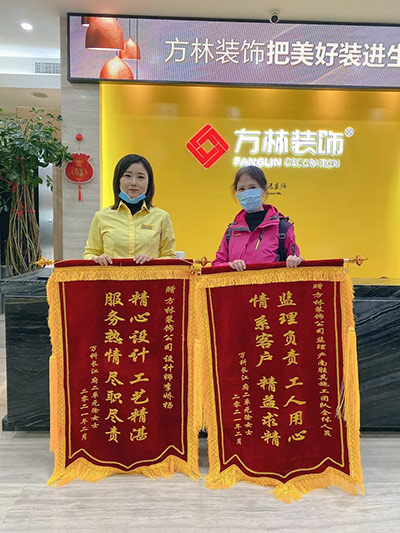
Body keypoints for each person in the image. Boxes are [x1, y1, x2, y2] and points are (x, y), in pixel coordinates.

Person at [83, 154, 175, 265]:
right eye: (127, 176)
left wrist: (153, 262)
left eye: (140, 177)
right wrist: (97, 258)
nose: (134, 183)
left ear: (149, 182)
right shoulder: (101, 217)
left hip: (150, 276)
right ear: (118, 180)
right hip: (111, 276)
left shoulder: (162, 217)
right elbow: (89, 253)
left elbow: (170, 256)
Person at [212, 166, 303, 271]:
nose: (247, 193)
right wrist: (230, 265)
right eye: (241, 189)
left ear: (263, 191)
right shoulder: (231, 231)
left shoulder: (282, 228)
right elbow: (216, 264)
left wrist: (295, 260)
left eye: (252, 187)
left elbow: (297, 265)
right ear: (237, 194)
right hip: (238, 283)